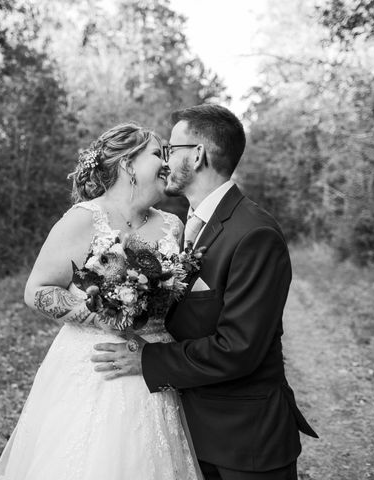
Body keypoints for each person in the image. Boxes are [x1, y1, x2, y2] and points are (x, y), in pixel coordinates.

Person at [92, 105, 318, 480]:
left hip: (245, 444)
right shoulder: (188, 227)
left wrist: (149, 361)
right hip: (190, 433)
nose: (165, 162)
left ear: (197, 155)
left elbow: (238, 348)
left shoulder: (254, 233)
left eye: (171, 149)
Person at [0, 123, 204, 480]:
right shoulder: (85, 218)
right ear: (128, 164)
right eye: (157, 154)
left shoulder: (173, 225)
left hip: (152, 363)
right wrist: (101, 315)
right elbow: (37, 290)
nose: (166, 163)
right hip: (95, 365)